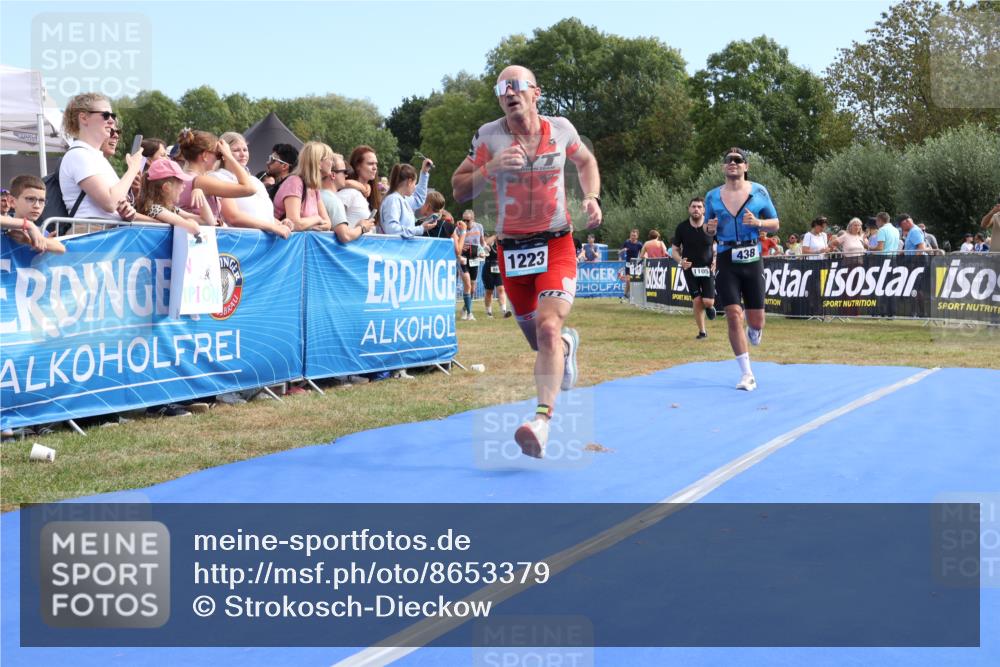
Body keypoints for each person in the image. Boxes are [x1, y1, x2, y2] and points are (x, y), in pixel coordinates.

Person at [452, 64, 602, 457]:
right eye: (502, 88)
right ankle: (567, 348)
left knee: (548, 329)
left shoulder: (562, 129)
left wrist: (591, 198)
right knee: (540, 341)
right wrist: (490, 168)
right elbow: (458, 188)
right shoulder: (488, 136)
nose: (509, 92)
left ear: (536, 93)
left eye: (517, 86)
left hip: (555, 242)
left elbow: (586, 163)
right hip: (512, 250)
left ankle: (542, 421)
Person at [703, 147, 779, 392]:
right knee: (734, 314)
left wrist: (758, 223)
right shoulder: (712, 196)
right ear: (724, 167)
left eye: (738, 160)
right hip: (726, 257)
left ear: (746, 166)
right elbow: (706, 227)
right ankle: (747, 374)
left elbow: (776, 224)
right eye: (729, 161)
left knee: (756, 320)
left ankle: (755, 330)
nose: (733, 163)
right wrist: (710, 228)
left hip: (752, 257)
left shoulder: (759, 191)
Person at [58, 92, 143, 222]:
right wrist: (133, 168)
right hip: (92, 234)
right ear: (84, 118)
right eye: (105, 115)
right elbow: (109, 202)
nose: (112, 120)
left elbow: (114, 203)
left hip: (104, 233)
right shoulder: (78, 154)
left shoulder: (95, 157)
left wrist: (127, 211)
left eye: (112, 116)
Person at [214, 132, 292, 238]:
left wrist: (280, 224)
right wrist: (273, 227)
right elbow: (233, 217)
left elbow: (263, 216)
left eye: (245, 150)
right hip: (239, 244)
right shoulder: (219, 178)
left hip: (264, 244)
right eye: (236, 150)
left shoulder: (255, 181)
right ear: (224, 153)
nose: (243, 154)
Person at [175, 129, 258, 225]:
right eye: (218, 154)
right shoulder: (201, 181)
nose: (219, 158)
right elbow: (250, 189)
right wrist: (229, 156)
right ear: (205, 155)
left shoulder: (182, 178)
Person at [671, 198, 716, 339]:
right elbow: (674, 250)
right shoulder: (682, 227)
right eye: (693, 207)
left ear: (704, 210)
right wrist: (680, 261)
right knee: (697, 300)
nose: (696, 209)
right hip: (689, 269)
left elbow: (720, 246)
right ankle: (702, 332)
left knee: (708, 301)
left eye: (699, 207)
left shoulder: (711, 226)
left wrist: (716, 260)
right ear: (689, 209)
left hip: (707, 268)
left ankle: (709, 307)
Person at [140, 158, 214, 234]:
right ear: (167, 187)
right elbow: (193, 228)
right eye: (181, 182)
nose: (184, 186)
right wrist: (190, 221)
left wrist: (201, 196)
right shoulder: (155, 209)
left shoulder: (172, 209)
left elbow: (208, 222)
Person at [273, 141, 334, 232]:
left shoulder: (314, 188)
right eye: (330, 159)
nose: (333, 163)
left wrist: (309, 223)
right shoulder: (295, 182)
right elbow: (294, 224)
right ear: (318, 163)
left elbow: (328, 223)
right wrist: (316, 219)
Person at [3, 175, 65, 253]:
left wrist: (32, 241)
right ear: (11, 201)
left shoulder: (42, 232)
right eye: (30, 199)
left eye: (42, 201)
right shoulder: (3, 227)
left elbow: (62, 249)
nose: (37, 206)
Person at [322, 152, 375, 242]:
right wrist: (362, 227)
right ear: (333, 175)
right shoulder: (334, 200)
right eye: (344, 172)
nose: (346, 175)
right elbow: (345, 236)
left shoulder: (315, 194)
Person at [378, 160, 435, 237]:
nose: (415, 187)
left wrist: (424, 173)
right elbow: (391, 229)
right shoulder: (393, 200)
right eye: (415, 183)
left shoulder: (401, 199)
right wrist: (420, 229)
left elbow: (419, 198)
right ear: (409, 182)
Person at [337, 146, 381, 230]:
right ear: (357, 166)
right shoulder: (348, 192)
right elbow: (334, 225)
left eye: (376, 164)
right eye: (370, 163)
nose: (375, 167)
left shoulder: (367, 193)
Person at [458, 209, 486, 320]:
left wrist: (483, 250)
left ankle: (465, 308)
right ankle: (470, 314)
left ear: (473, 219)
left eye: (467, 220)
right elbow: (455, 241)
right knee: (468, 285)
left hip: (474, 258)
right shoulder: (459, 227)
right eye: (463, 220)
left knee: (472, 288)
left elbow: (482, 242)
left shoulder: (479, 227)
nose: (465, 222)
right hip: (463, 259)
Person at [481, 232, 511, 318]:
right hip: (488, 268)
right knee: (489, 291)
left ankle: (504, 311)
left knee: (501, 289)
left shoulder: (503, 243)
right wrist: (495, 236)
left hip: (499, 269)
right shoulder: (489, 244)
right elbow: (485, 243)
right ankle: (489, 313)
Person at [620, 228, 643, 302]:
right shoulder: (626, 242)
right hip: (628, 264)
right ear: (630, 235)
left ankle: (629, 295)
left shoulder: (639, 244)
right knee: (628, 281)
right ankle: (626, 295)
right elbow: (620, 251)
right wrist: (623, 251)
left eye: (634, 235)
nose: (633, 236)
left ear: (637, 236)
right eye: (632, 235)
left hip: (636, 264)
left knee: (635, 281)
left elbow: (643, 253)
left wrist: (642, 259)